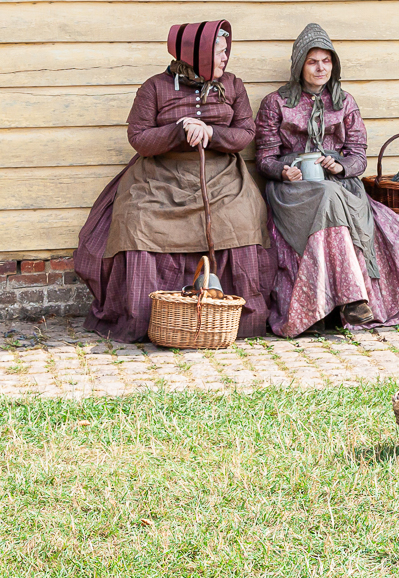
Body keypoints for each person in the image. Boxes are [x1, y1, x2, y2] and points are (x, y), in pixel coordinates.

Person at [74, 20, 276, 342]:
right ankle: (147, 317)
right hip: (160, 174)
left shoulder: (233, 85)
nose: (225, 59)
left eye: (226, 52)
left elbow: (246, 133)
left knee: (241, 215)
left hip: (220, 173)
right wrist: (178, 129)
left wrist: (212, 132)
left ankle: (233, 316)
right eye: (219, 53)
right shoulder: (154, 87)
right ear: (197, 55)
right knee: (137, 218)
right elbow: (138, 138)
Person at [257, 23, 399, 334]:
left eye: (326, 61)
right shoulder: (275, 103)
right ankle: (351, 298)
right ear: (299, 65)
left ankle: (345, 301)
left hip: (338, 184)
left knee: (392, 225)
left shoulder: (344, 102)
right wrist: (282, 169)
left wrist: (340, 166)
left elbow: (358, 156)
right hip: (293, 189)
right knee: (327, 195)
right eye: (312, 61)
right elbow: (265, 157)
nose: (320, 68)